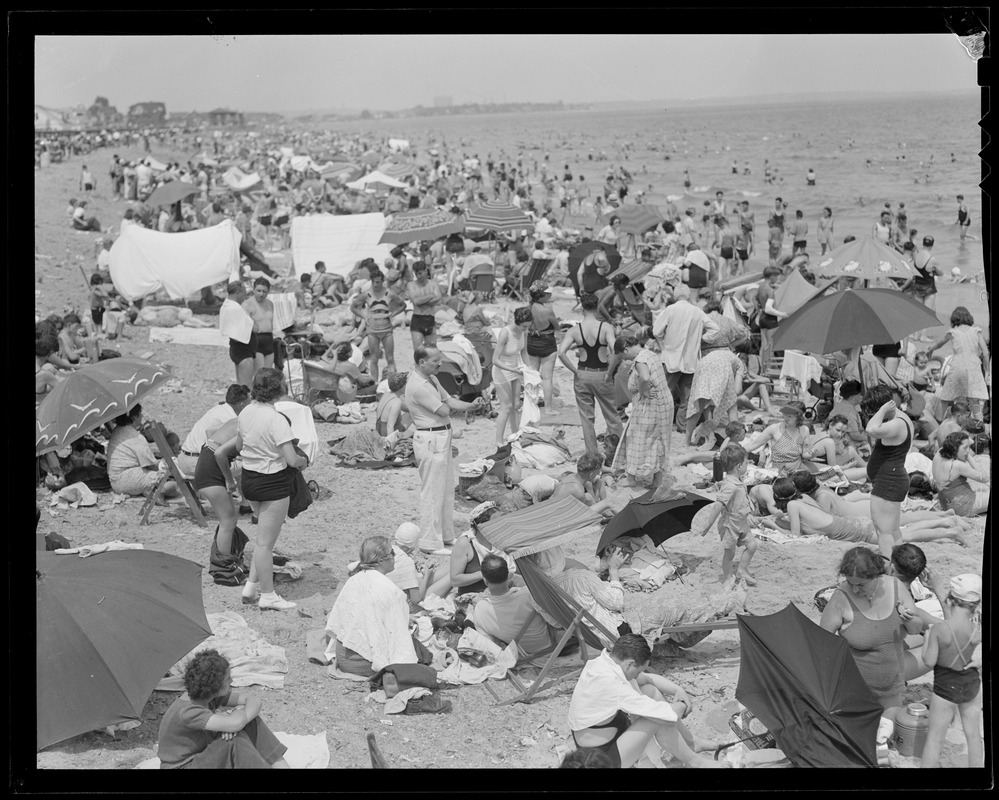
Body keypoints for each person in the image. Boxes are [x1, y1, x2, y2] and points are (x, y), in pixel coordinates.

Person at [567, 634, 727, 769]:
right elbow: (666, 714)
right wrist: (683, 705)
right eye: (638, 670)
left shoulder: (605, 663)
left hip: (609, 733)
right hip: (602, 758)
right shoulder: (614, 685)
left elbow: (648, 679)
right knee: (657, 721)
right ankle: (697, 762)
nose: (638, 676)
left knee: (650, 691)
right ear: (630, 663)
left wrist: (678, 690)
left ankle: (691, 742)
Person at [819, 547, 923, 720]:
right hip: (854, 691)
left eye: (861, 584)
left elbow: (916, 629)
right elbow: (822, 644)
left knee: (888, 737)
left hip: (891, 687)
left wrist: (909, 619)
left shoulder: (895, 587)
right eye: (850, 583)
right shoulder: (840, 599)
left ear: (876, 577)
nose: (855, 590)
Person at [236, 368, 310, 611]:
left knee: (262, 541)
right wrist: (304, 461)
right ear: (278, 388)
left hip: (249, 478)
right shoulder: (276, 419)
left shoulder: (246, 411)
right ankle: (267, 595)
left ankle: (250, 585)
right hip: (272, 481)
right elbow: (291, 460)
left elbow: (239, 445)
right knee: (266, 544)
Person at [406, 346, 488, 553]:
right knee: (432, 492)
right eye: (436, 361)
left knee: (445, 490)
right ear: (422, 362)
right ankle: (429, 542)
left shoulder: (432, 379)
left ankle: (445, 535)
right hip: (430, 438)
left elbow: (450, 401)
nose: (440, 364)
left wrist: (471, 406)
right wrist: (457, 405)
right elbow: (445, 409)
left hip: (441, 436)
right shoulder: (417, 385)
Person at [156, 649, 289, 769]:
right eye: (227, 679)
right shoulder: (188, 711)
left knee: (248, 723)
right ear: (214, 686)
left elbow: (254, 701)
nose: (231, 681)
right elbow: (235, 723)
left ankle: (281, 766)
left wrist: (242, 718)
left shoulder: (208, 697)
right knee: (232, 739)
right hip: (184, 766)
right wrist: (237, 715)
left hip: (201, 757)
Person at [325, 536, 430, 676]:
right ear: (381, 560)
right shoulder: (389, 590)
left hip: (343, 655)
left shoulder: (354, 580)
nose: (394, 557)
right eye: (392, 553)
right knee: (420, 650)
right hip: (364, 663)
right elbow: (398, 637)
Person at [771, 476, 965, 546]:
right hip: (857, 520)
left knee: (903, 535)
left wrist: (773, 524)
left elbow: (795, 536)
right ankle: (945, 523)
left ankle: (949, 529)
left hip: (856, 527)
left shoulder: (793, 505)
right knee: (903, 527)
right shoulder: (803, 498)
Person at [920, 573, 983, 768]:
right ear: (976, 603)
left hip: (946, 686)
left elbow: (929, 661)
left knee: (935, 738)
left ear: (950, 598)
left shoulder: (940, 628)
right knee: (973, 735)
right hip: (971, 683)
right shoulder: (977, 628)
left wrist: (926, 640)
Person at [557, 292, 622, 459]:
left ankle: (592, 454)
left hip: (583, 374)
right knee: (612, 416)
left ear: (581, 307)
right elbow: (617, 351)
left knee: (587, 419)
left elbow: (562, 353)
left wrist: (574, 370)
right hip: (601, 374)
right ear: (597, 306)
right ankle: (618, 453)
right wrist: (610, 371)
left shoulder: (574, 330)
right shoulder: (605, 327)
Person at [652, 283, 719, 429]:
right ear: (689, 295)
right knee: (687, 396)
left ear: (675, 296)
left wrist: (664, 342)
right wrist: (700, 340)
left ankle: (660, 423)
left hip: (671, 357)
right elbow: (715, 329)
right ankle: (682, 425)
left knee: (664, 393)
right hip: (691, 360)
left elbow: (656, 331)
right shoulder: (697, 311)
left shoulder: (670, 310)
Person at [613, 333, 673, 490]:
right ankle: (657, 480)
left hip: (651, 405)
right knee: (657, 440)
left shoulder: (640, 359)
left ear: (625, 349)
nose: (625, 360)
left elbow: (645, 378)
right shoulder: (650, 353)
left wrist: (643, 391)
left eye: (622, 356)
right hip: (663, 403)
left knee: (636, 438)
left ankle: (632, 478)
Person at [691, 444, 758, 585]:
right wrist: (708, 524)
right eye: (746, 463)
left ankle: (741, 571)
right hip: (730, 524)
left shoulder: (737, 481)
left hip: (741, 522)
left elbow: (742, 500)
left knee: (752, 546)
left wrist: (749, 514)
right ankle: (727, 578)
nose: (748, 465)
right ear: (739, 466)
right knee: (730, 553)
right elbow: (718, 505)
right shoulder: (730, 486)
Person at [863, 384, 915, 557]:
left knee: (883, 532)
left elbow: (871, 429)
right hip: (892, 478)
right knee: (893, 531)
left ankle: (890, 567)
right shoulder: (902, 418)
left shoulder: (897, 424)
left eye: (874, 412)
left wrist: (882, 410)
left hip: (889, 480)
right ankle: (902, 566)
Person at [466, 553, 550, 655]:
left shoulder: (480, 609)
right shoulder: (528, 594)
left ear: (485, 581)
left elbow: (490, 642)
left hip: (522, 651)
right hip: (550, 645)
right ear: (508, 576)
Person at [685, 311, 746, 448]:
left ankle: (687, 440)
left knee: (699, 404)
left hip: (704, 360)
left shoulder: (702, 318)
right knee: (732, 406)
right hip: (722, 364)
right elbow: (737, 390)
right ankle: (733, 440)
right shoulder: (739, 363)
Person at [925, 306, 989, 419]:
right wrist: (987, 370)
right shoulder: (976, 331)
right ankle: (980, 430)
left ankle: (938, 425)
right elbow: (985, 353)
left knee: (945, 398)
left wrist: (931, 349)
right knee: (974, 401)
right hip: (973, 367)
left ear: (954, 319)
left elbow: (939, 343)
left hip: (958, 366)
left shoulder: (953, 332)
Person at [106, 404, 180, 501]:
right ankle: (157, 492)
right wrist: (167, 464)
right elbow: (151, 464)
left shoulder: (118, 430)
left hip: (115, 479)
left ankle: (151, 490)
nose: (142, 417)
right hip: (125, 480)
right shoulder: (136, 437)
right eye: (140, 414)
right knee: (175, 483)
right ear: (134, 417)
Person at [177, 385, 251, 479]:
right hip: (196, 463)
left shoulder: (220, 409)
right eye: (250, 401)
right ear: (242, 404)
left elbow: (209, 432)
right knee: (249, 466)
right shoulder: (229, 418)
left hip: (184, 460)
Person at [351, 269, 406, 384]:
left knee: (390, 358)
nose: (376, 284)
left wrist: (393, 314)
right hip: (372, 330)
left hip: (387, 329)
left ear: (382, 281)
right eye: (374, 282)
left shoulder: (389, 293)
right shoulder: (367, 295)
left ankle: (394, 382)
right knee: (374, 358)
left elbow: (403, 305)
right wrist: (364, 316)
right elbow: (353, 307)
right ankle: (375, 384)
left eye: (378, 282)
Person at [492, 307, 532, 448]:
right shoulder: (505, 333)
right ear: (517, 322)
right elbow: (495, 359)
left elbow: (524, 353)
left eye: (528, 326)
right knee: (506, 406)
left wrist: (530, 369)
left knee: (516, 405)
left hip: (516, 368)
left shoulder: (524, 332)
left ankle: (515, 435)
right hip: (502, 369)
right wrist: (512, 369)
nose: (526, 328)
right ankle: (498, 440)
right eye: (524, 326)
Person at [931, 432, 990, 516]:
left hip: (945, 504)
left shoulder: (939, 453)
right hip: (962, 507)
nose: (968, 450)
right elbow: (985, 478)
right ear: (954, 448)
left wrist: (965, 447)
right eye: (965, 448)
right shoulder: (957, 466)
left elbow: (970, 441)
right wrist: (969, 457)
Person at [742, 402, 809, 476]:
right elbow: (753, 444)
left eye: (789, 416)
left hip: (796, 471)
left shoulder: (804, 430)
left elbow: (805, 454)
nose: (786, 419)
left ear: (798, 418)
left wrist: (812, 453)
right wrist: (734, 453)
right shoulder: (774, 429)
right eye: (785, 415)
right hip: (777, 472)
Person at [525, 282, 560, 415]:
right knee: (547, 378)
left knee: (532, 375)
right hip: (547, 343)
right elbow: (557, 327)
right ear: (542, 295)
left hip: (532, 342)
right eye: (548, 293)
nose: (550, 295)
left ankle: (530, 405)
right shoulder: (547, 310)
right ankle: (548, 409)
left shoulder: (528, 308)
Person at [384, 522, 438, 605]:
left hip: (387, 598)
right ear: (412, 546)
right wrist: (427, 575)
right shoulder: (406, 561)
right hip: (401, 605)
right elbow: (416, 599)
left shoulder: (384, 551)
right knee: (448, 576)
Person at [550, 452, 616, 516]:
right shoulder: (577, 490)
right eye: (597, 473)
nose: (598, 475)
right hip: (561, 518)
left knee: (588, 496)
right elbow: (582, 516)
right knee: (609, 503)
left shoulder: (571, 477)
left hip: (554, 510)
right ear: (591, 474)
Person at [219, 281, 257, 389]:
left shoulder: (228, 306)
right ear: (237, 292)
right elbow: (250, 328)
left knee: (241, 384)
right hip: (243, 350)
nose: (245, 296)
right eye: (244, 293)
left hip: (240, 349)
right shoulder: (234, 308)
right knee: (246, 386)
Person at [754, 266, 788, 369]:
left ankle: (762, 367)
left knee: (764, 346)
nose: (777, 279)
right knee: (772, 346)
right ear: (772, 276)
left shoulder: (760, 286)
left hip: (762, 318)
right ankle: (769, 368)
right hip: (770, 319)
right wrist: (782, 314)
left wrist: (759, 310)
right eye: (776, 276)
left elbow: (754, 299)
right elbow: (769, 308)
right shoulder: (770, 290)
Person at [242, 278, 277, 370]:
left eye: (264, 291)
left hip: (269, 340)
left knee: (268, 375)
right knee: (259, 375)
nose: (261, 294)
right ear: (253, 290)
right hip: (256, 341)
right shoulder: (247, 304)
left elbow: (271, 323)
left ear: (268, 291)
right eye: (258, 291)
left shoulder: (270, 304)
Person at [407, 260, 443, 350]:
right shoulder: (411, 285)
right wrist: (430, 296)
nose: (418, 276)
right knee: (418, 351)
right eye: (416, 274)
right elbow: (415, 302)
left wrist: (421, 300)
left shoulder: (433, 283)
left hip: (430, 319)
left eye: (420, 273)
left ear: (425, 271)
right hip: (417, 319)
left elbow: (439, 299)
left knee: (432, 351)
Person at [375, 372, 413, 438]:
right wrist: (390, 444)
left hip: (379, 429)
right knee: (411, 432)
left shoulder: (386, 394)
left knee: (411, 411)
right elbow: (390, 426)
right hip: (386, 433)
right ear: (403, 387)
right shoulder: (397, 402)